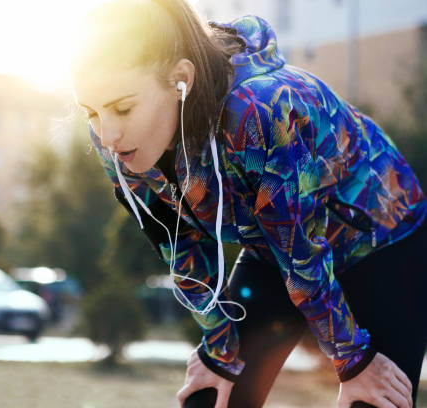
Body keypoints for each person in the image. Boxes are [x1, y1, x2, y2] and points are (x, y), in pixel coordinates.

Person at [69, 1, 427, 407]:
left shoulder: (259, 112)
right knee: (209, 399)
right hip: (275, 249)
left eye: (123, 108)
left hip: (382, 239)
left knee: (374, 400)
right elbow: (179, 244)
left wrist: (353, 360)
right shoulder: (116, 144)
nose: (107, 134)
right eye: (91, 112)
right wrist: (219, 349)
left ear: (180, 80)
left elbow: (301, 254)